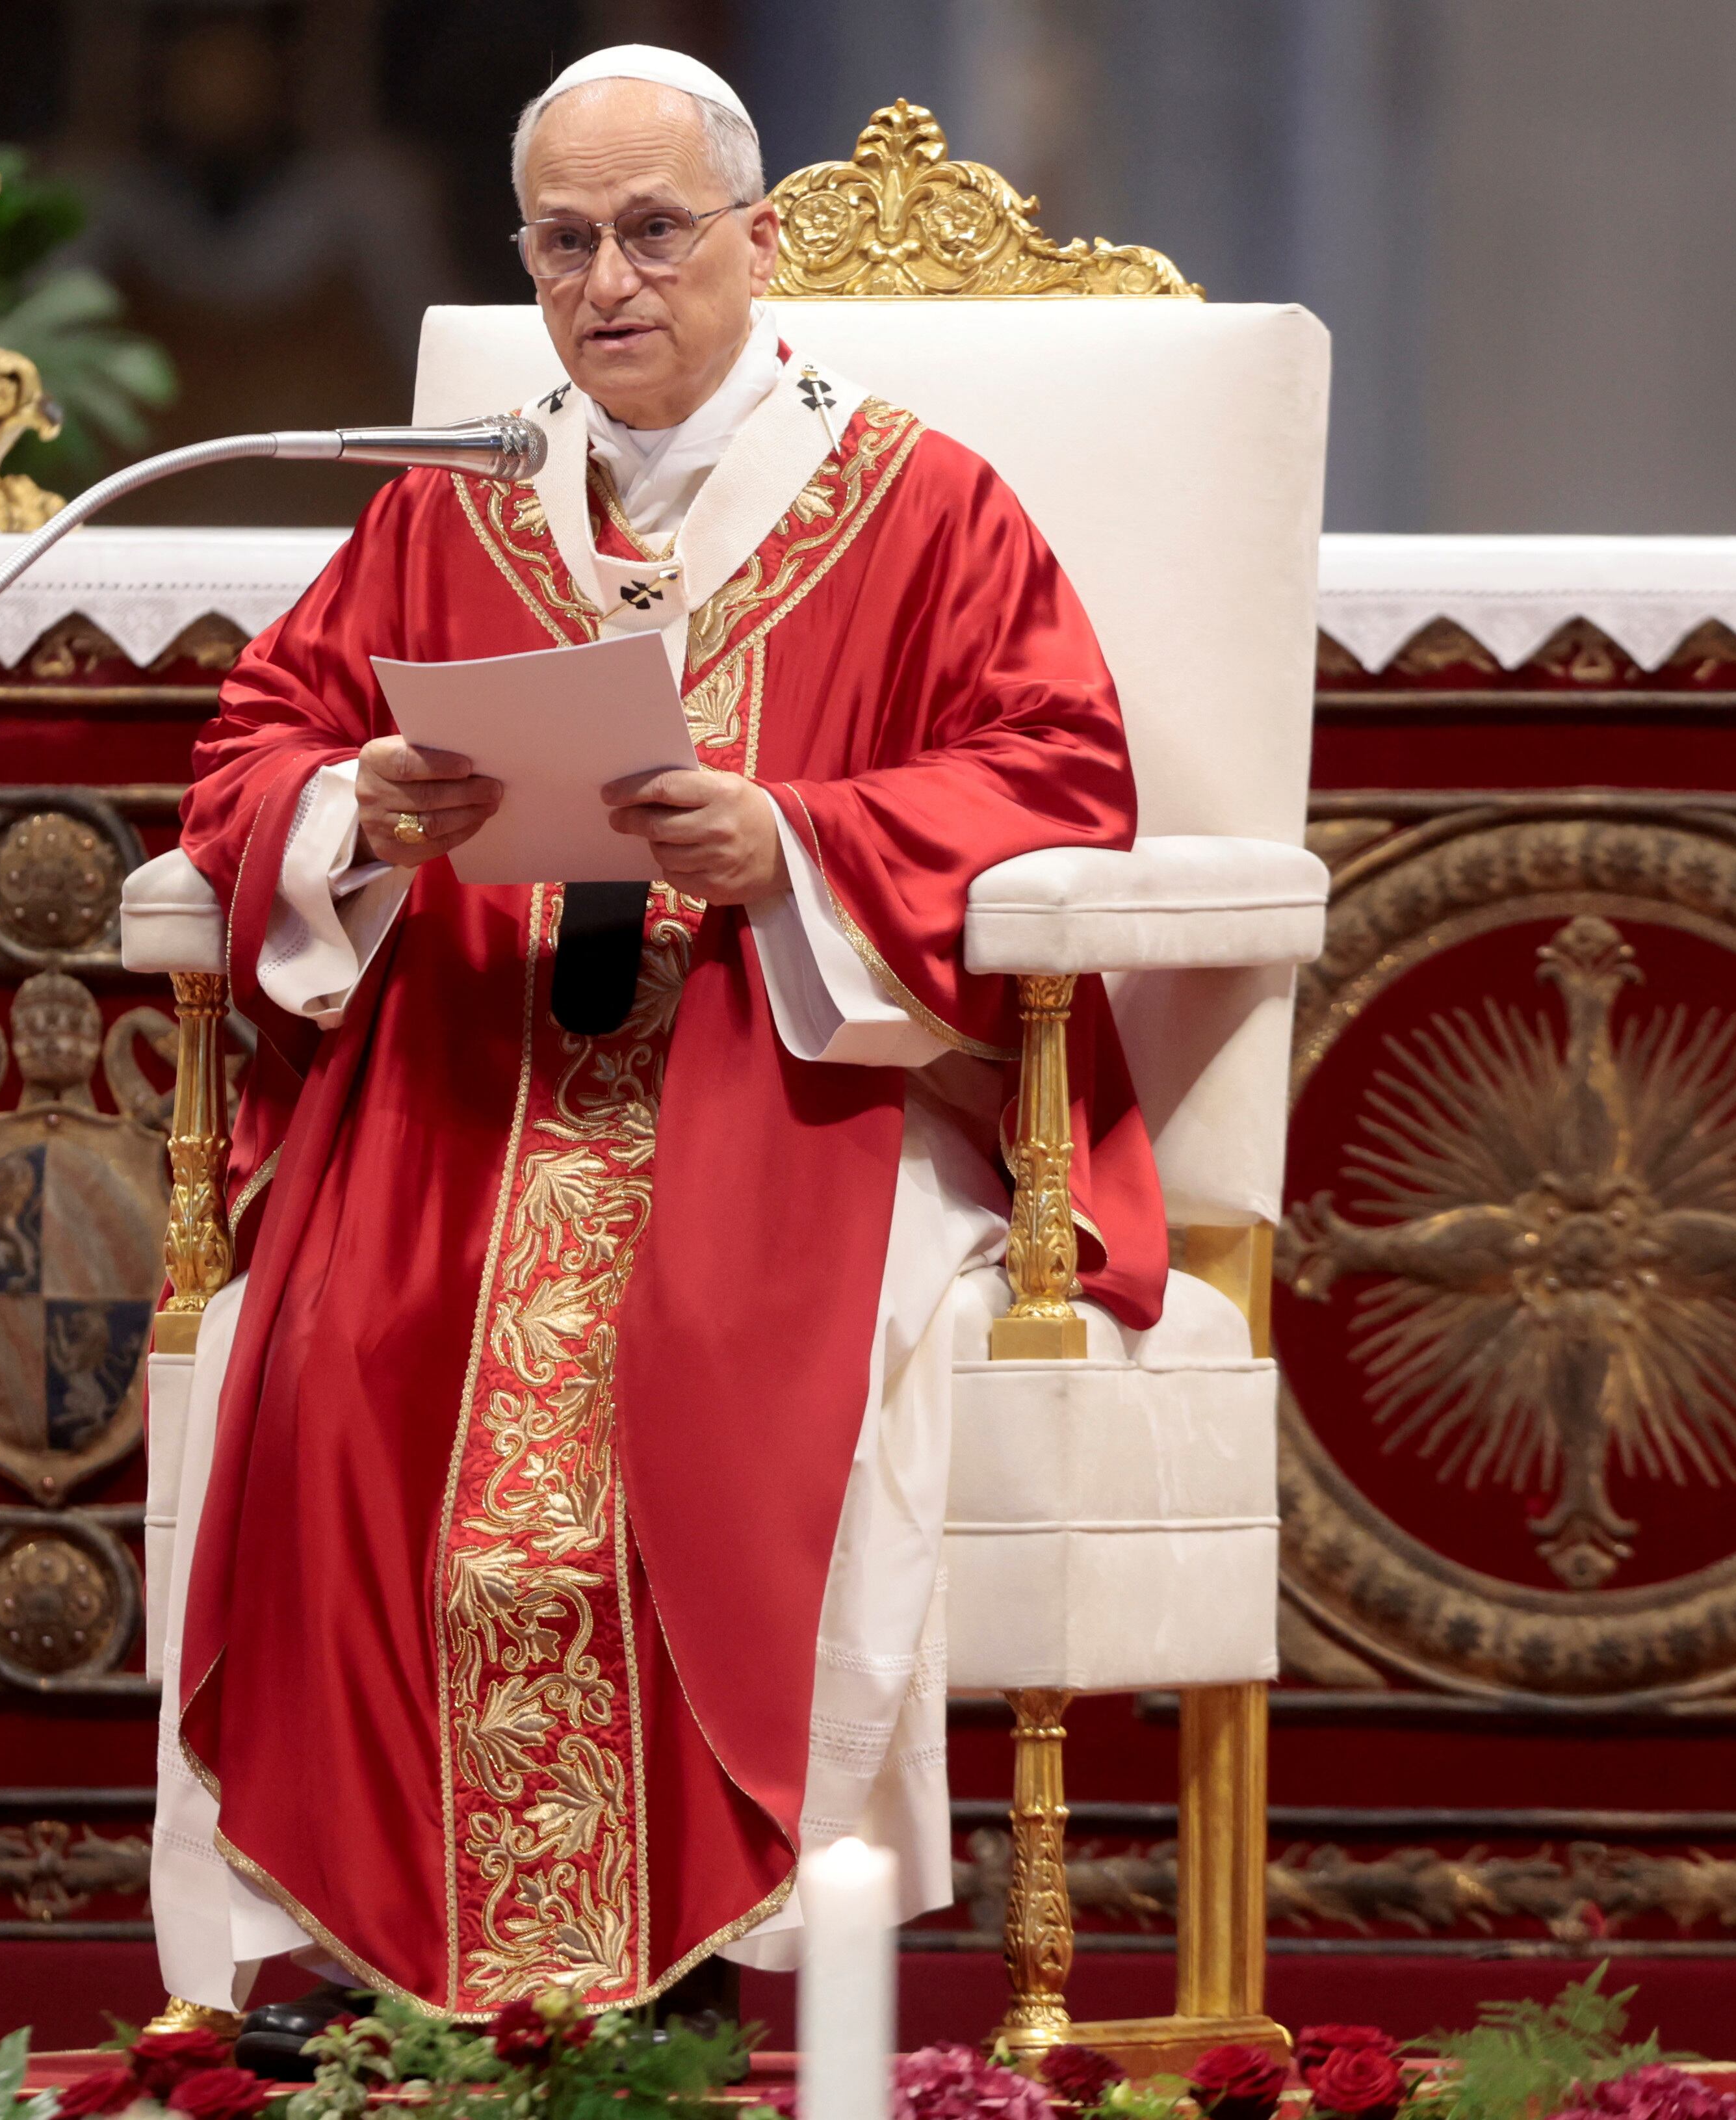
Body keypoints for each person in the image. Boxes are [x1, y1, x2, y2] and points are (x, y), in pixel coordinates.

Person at [150, 47, 1165, 2029]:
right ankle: (400, 1954)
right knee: (344, 1351)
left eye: (651, 232)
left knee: (690, 1363)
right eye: (560, 242)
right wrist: (361, 806)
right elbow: (251, 747)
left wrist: (798, 843)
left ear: (755, 244)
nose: (605, 282)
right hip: (477, 1074)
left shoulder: (918, 500)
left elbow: (1056, 778)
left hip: (787, 1083)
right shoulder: (453, 505)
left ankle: (669, 1961)